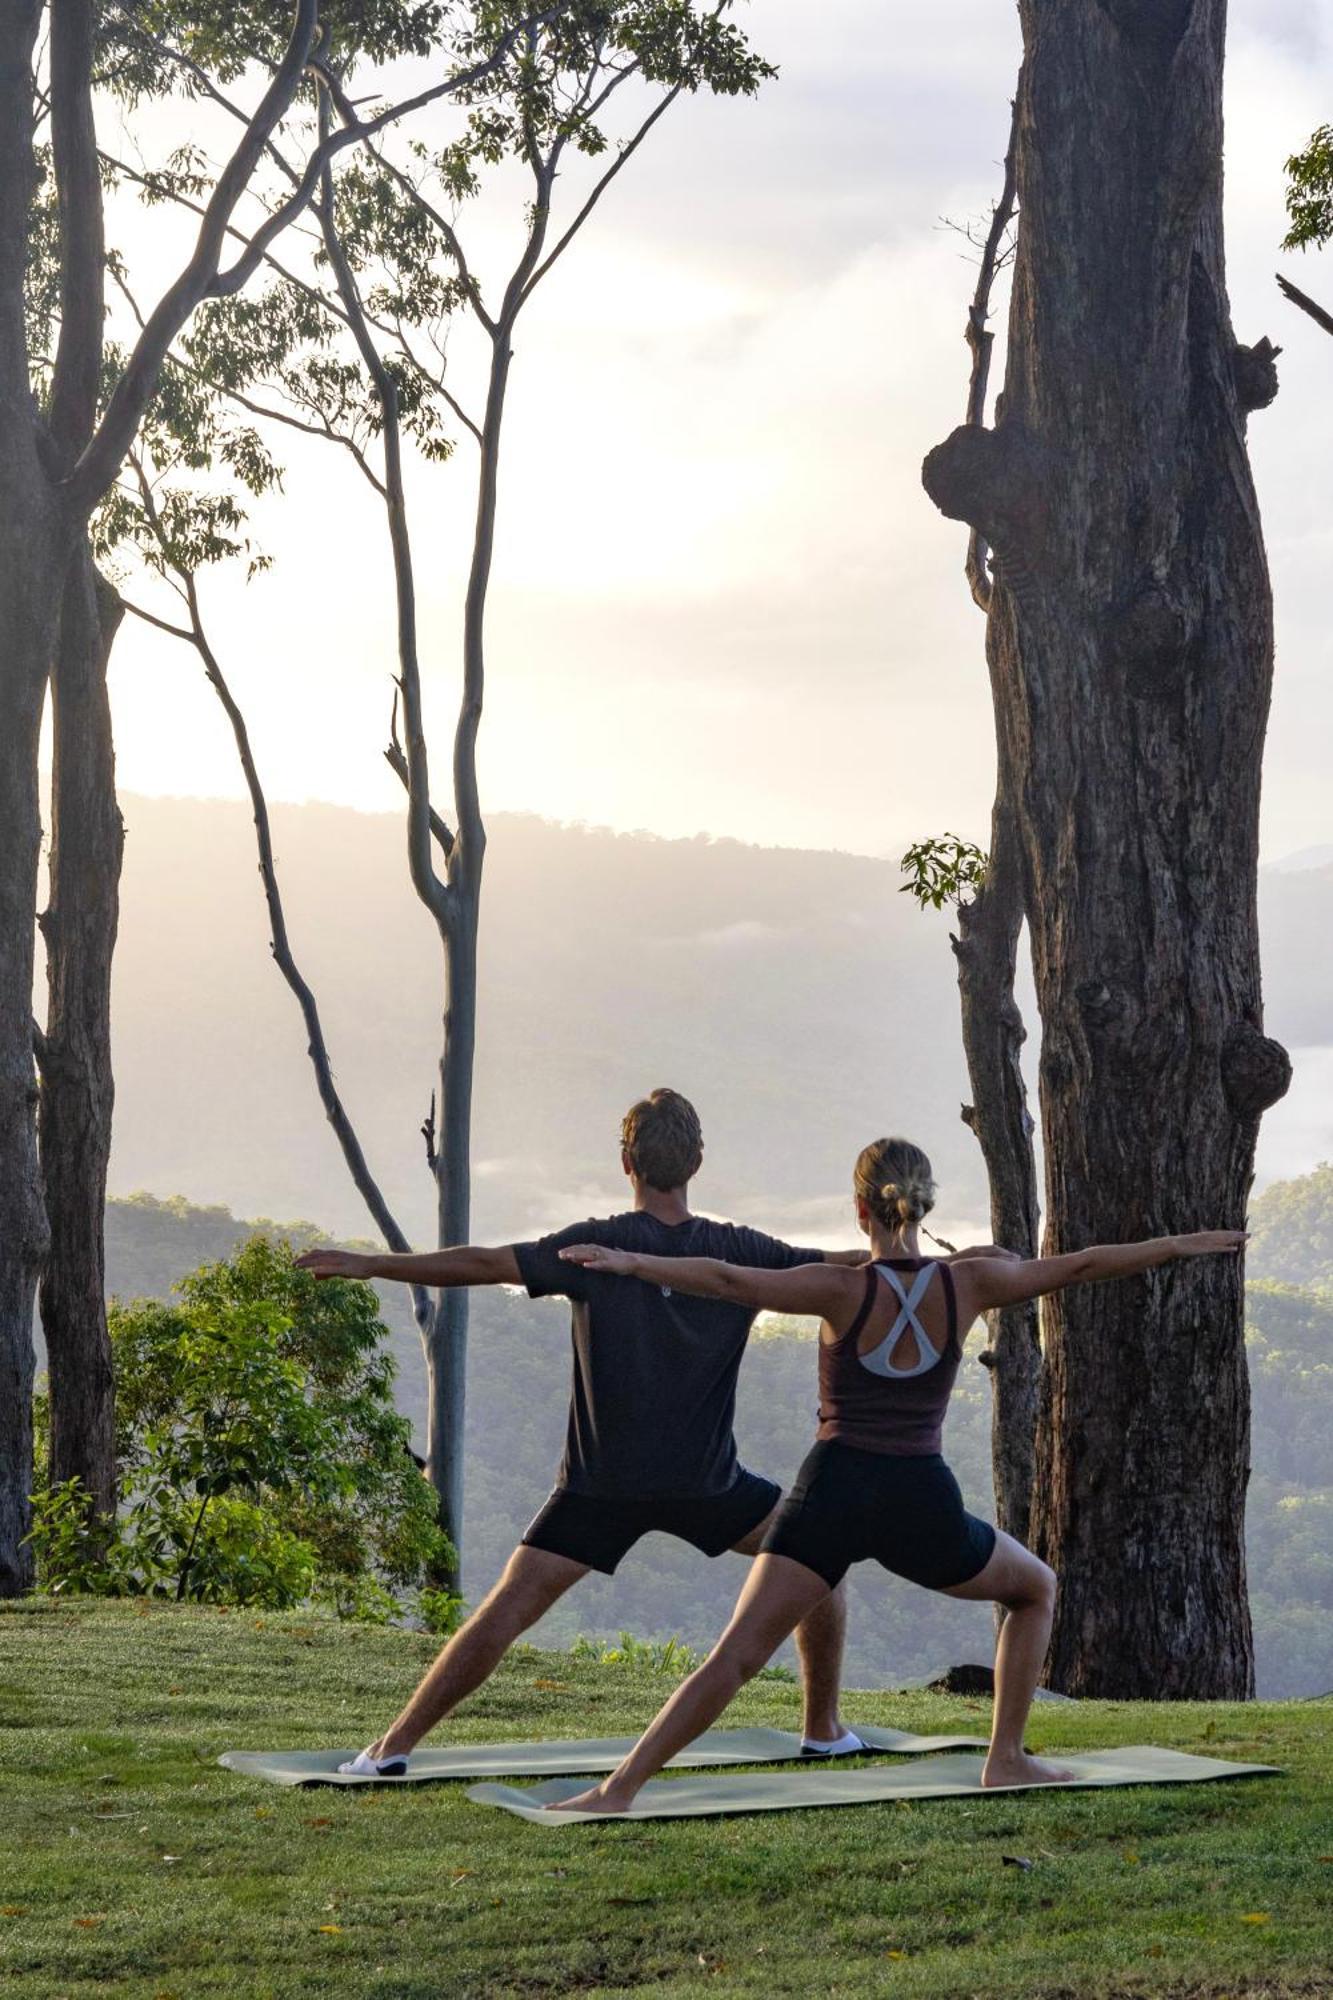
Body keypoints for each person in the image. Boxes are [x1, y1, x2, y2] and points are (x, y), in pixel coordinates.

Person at [548, 1136, 1247, 1811]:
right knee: (1033, 1589)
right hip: (918, 1497)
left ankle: (616, 1791)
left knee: (735, 1657)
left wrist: (631, 1262)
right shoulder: (971, 1282)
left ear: (860, 1210)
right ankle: (1004, 1759)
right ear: (925, 1205)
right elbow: (1079, 1267)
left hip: (832, 1491)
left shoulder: (835, 1288)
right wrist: (1176, 1247)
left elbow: (729, 1281)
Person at [296, 1089, 890, 1774]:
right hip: (707, 1486)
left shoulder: (597, 1247)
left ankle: (389, 1750)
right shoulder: (739, 1252)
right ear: (696, 1161)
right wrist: (965, 1267)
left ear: (625, 1163)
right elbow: (855, 1267)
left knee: (503, 1614)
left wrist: (373, 1264)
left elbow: (488, 1264)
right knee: (821, 1564)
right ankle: (822, 1729)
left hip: (600, 1488)